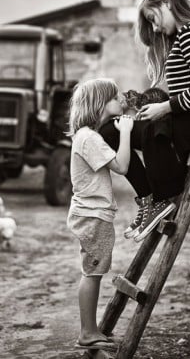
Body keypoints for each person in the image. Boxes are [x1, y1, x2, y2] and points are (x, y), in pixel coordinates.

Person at [99, 0, 190, 242]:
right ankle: (148, 202)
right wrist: (153, 106)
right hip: (182, 122)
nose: (155, 28)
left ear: (166, 3)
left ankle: (157, 199)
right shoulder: (184, 36)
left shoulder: (189, 33)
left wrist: (164, 108)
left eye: (153, 19)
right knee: (111, 130)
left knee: (115, 130)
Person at [67, 78, 134, 351]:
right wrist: (127, 131)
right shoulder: (89, 138)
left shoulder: (86, 136)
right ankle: (87, 332)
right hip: (93, 215)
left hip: (94, 213)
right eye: (115, 96)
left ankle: (92, 330)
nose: (121, 99)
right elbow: (122, 166)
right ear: (100, 103)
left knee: (94, 271)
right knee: (92, 272)